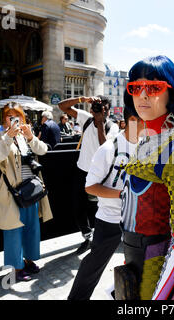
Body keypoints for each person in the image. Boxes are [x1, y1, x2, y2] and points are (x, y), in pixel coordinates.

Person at [120, 55, 174, 300]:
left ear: (171, 94)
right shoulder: (145, 143)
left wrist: (166, 294)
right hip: (131, 250)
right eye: (136, 87)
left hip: (157, 256)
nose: (143, 95)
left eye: (153, 87)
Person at [68, 107, 142, 300]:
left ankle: (118, 294)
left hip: (137, 220)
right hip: (109, 220)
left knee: (139, 266)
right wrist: (123, 195)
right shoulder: (109, 148)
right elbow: (90, 187)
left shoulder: (146, 146)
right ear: (132, 120)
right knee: (93, 266)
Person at [0, 102, 53, 282]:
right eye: (9, 116)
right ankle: (16, 268)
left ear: (23, 118)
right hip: (12, 192)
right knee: (13, 230)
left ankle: (28, 260)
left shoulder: (27, 136)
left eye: (17, 116)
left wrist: (31, 136)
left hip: (31, 190)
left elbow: (44, 150)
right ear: (4, 119)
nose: (13, 119)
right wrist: (8, 138)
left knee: (31, 228)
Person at [58, 95, 119, 255]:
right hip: (82, 169)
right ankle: (87, 236)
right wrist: (82, 99)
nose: (98, 110)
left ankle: (104, 236)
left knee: (102, 206)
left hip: (101, 173)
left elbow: (105, 147)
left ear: (108, 110)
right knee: (78, 206)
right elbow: (62, 106)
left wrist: (100, 124)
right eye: (96, 107)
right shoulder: (86, 118)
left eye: (102, 108)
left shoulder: (113, 126)